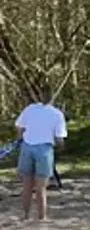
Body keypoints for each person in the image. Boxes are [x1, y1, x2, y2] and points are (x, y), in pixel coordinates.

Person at [13, 87, 66, 221]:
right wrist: (60, 147)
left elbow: (19, 126)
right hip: (44, 149)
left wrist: (20, 139)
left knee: (27, 186)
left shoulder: (30, 109)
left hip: (27, 146)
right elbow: (59, 138)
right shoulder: (57, 114)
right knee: (41, 187)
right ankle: (42, 217)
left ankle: (26, 215)